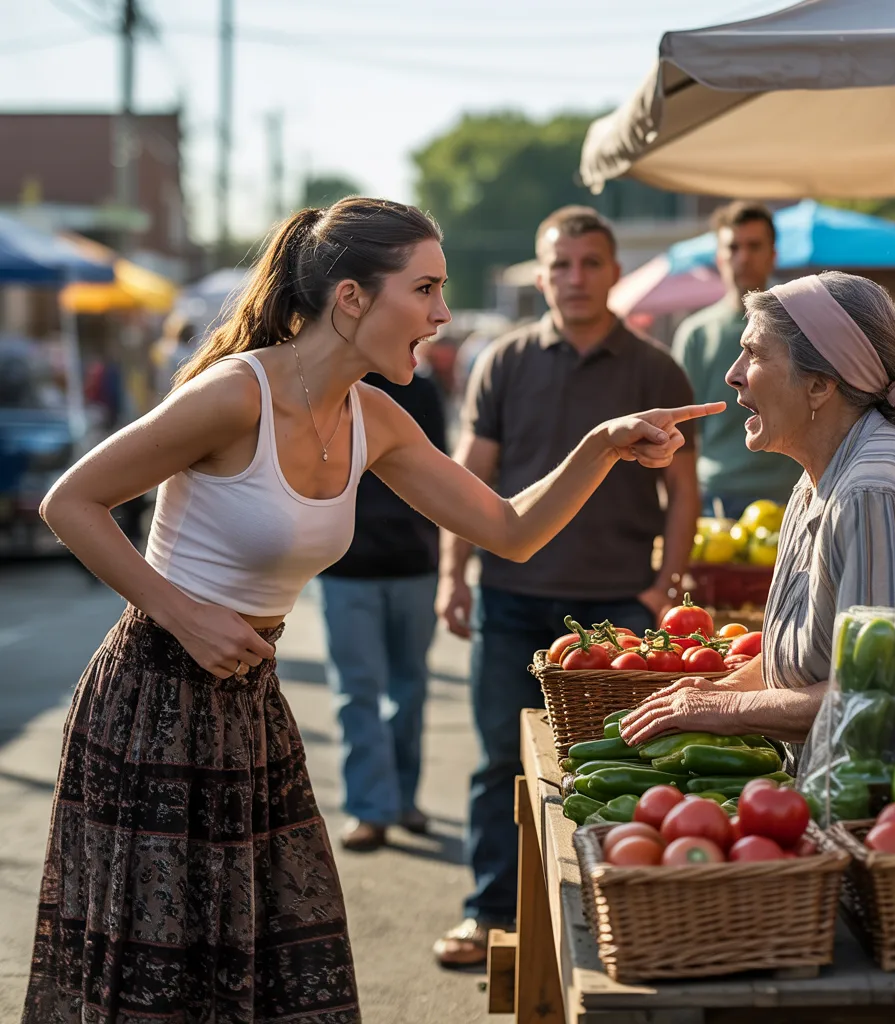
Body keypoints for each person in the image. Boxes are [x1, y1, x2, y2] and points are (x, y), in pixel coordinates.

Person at [22, 195, 722, 1023]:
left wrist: (603, 443)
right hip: (152, 701)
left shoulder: (376, 419)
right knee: (159, 971)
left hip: (248, 703)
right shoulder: (235, 395)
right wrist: (179, 611)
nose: (442, 313)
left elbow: (512, 529)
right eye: (424, 289)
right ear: (351, 298)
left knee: (273, 962)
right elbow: (70, 502)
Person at [433, 205, 702, 968]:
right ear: (542, 273)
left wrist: (663, 589)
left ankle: (605, 913)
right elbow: (466, 481)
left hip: (621, 607)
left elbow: (683, 492)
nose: (574, 278)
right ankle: (488, 915)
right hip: (512, 597)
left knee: (618, 766)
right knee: (497, 762)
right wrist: (455, 573)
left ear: (614, 272)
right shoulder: (504, 360)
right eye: (560, 264)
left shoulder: (656, 367)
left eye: (589, 263)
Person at [621, 271, 895, 754]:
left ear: (818, 386)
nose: (733, 373)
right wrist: (716, 692)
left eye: (754, 353)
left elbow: (880, 697)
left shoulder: (875, 488)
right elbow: (808, 660)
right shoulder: (823, 473)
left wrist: (725, 711)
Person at [319, 363, 448, 852]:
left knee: (409, 689)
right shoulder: (325, 385)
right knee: (358, 692)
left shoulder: (423, 390)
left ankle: (402, 800)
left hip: (415, 561)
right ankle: (370, 808)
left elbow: (441, 470)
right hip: (344, 566)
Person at [672, 201, 803, 519]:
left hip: (793, 492)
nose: (743, 257)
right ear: (719, 257)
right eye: (733, 247)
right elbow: (680, 430)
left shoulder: (800, 324)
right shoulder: (696, 334)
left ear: (774, 254)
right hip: (717, 497)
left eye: (754, 246)